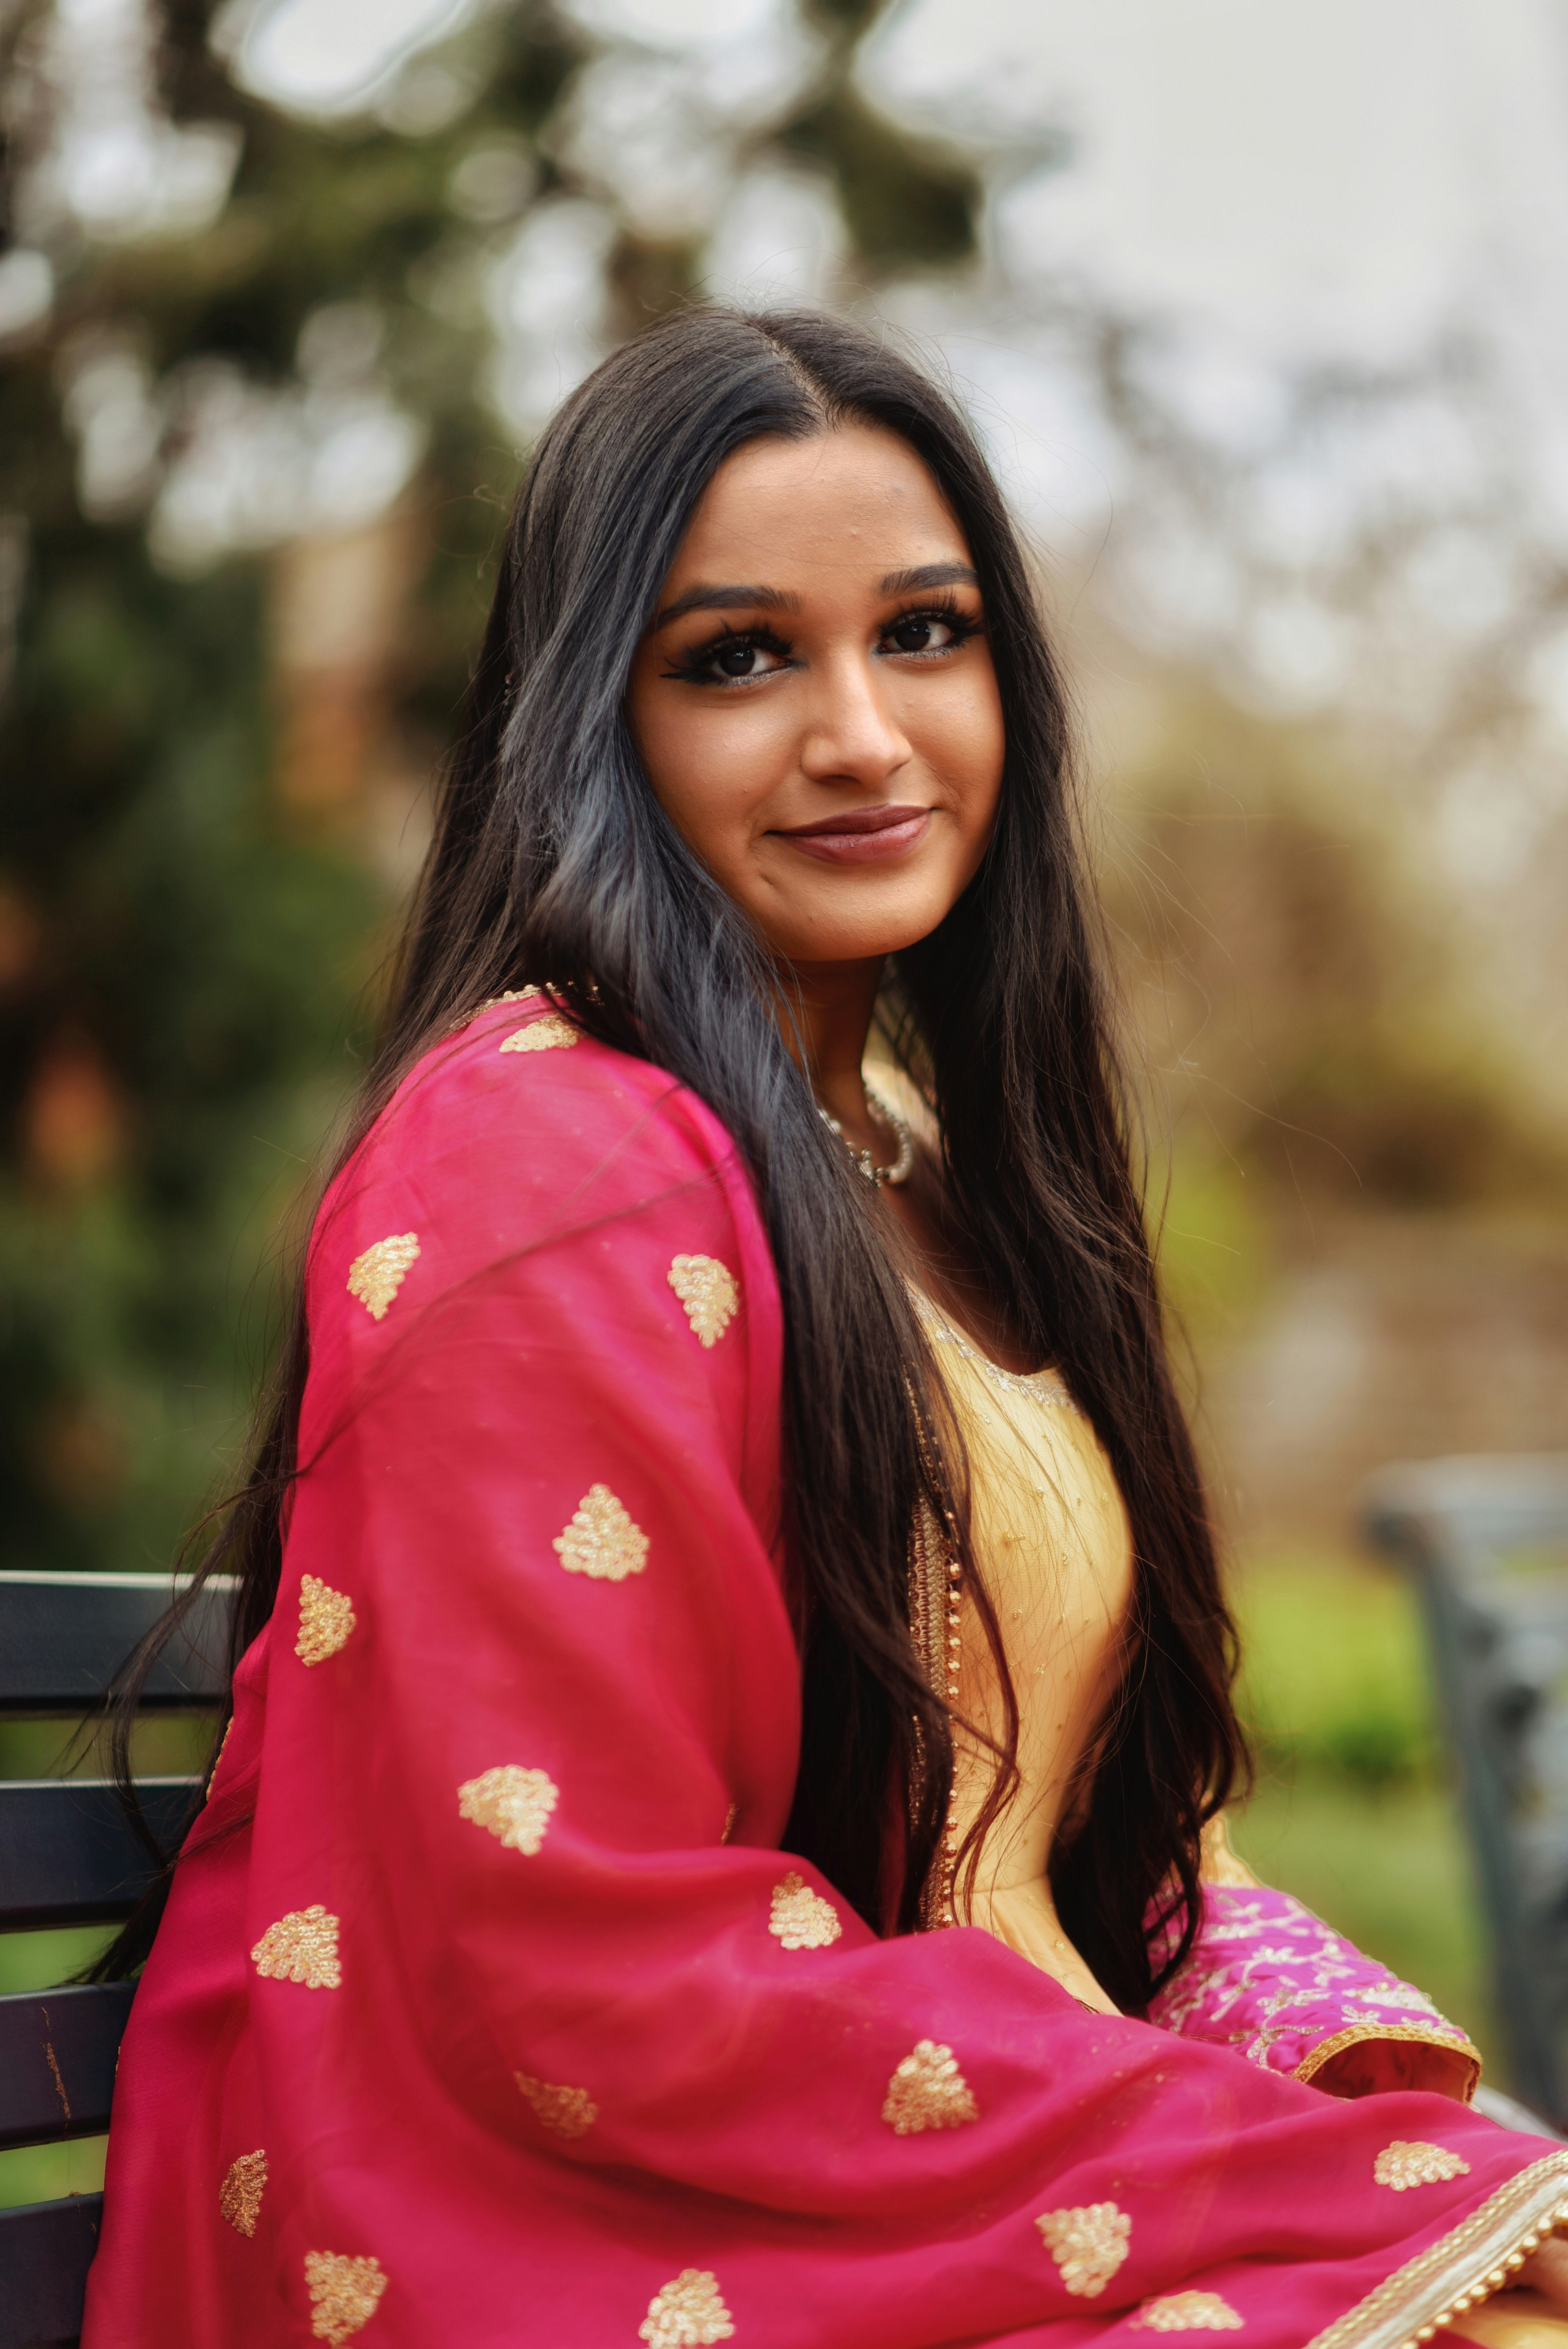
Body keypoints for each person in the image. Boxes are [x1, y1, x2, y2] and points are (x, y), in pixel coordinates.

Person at [82, 309, 1568, 2349]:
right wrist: (1300, 2181)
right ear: (592, 720)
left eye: (926, 635)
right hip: (672, 2240)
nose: (864, 733)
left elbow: (1081, 1848)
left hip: (962, 2176)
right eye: (739, 658)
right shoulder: (539, 1153)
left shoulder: (914, 1159)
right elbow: (569, 1958)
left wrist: (1380, 2122)